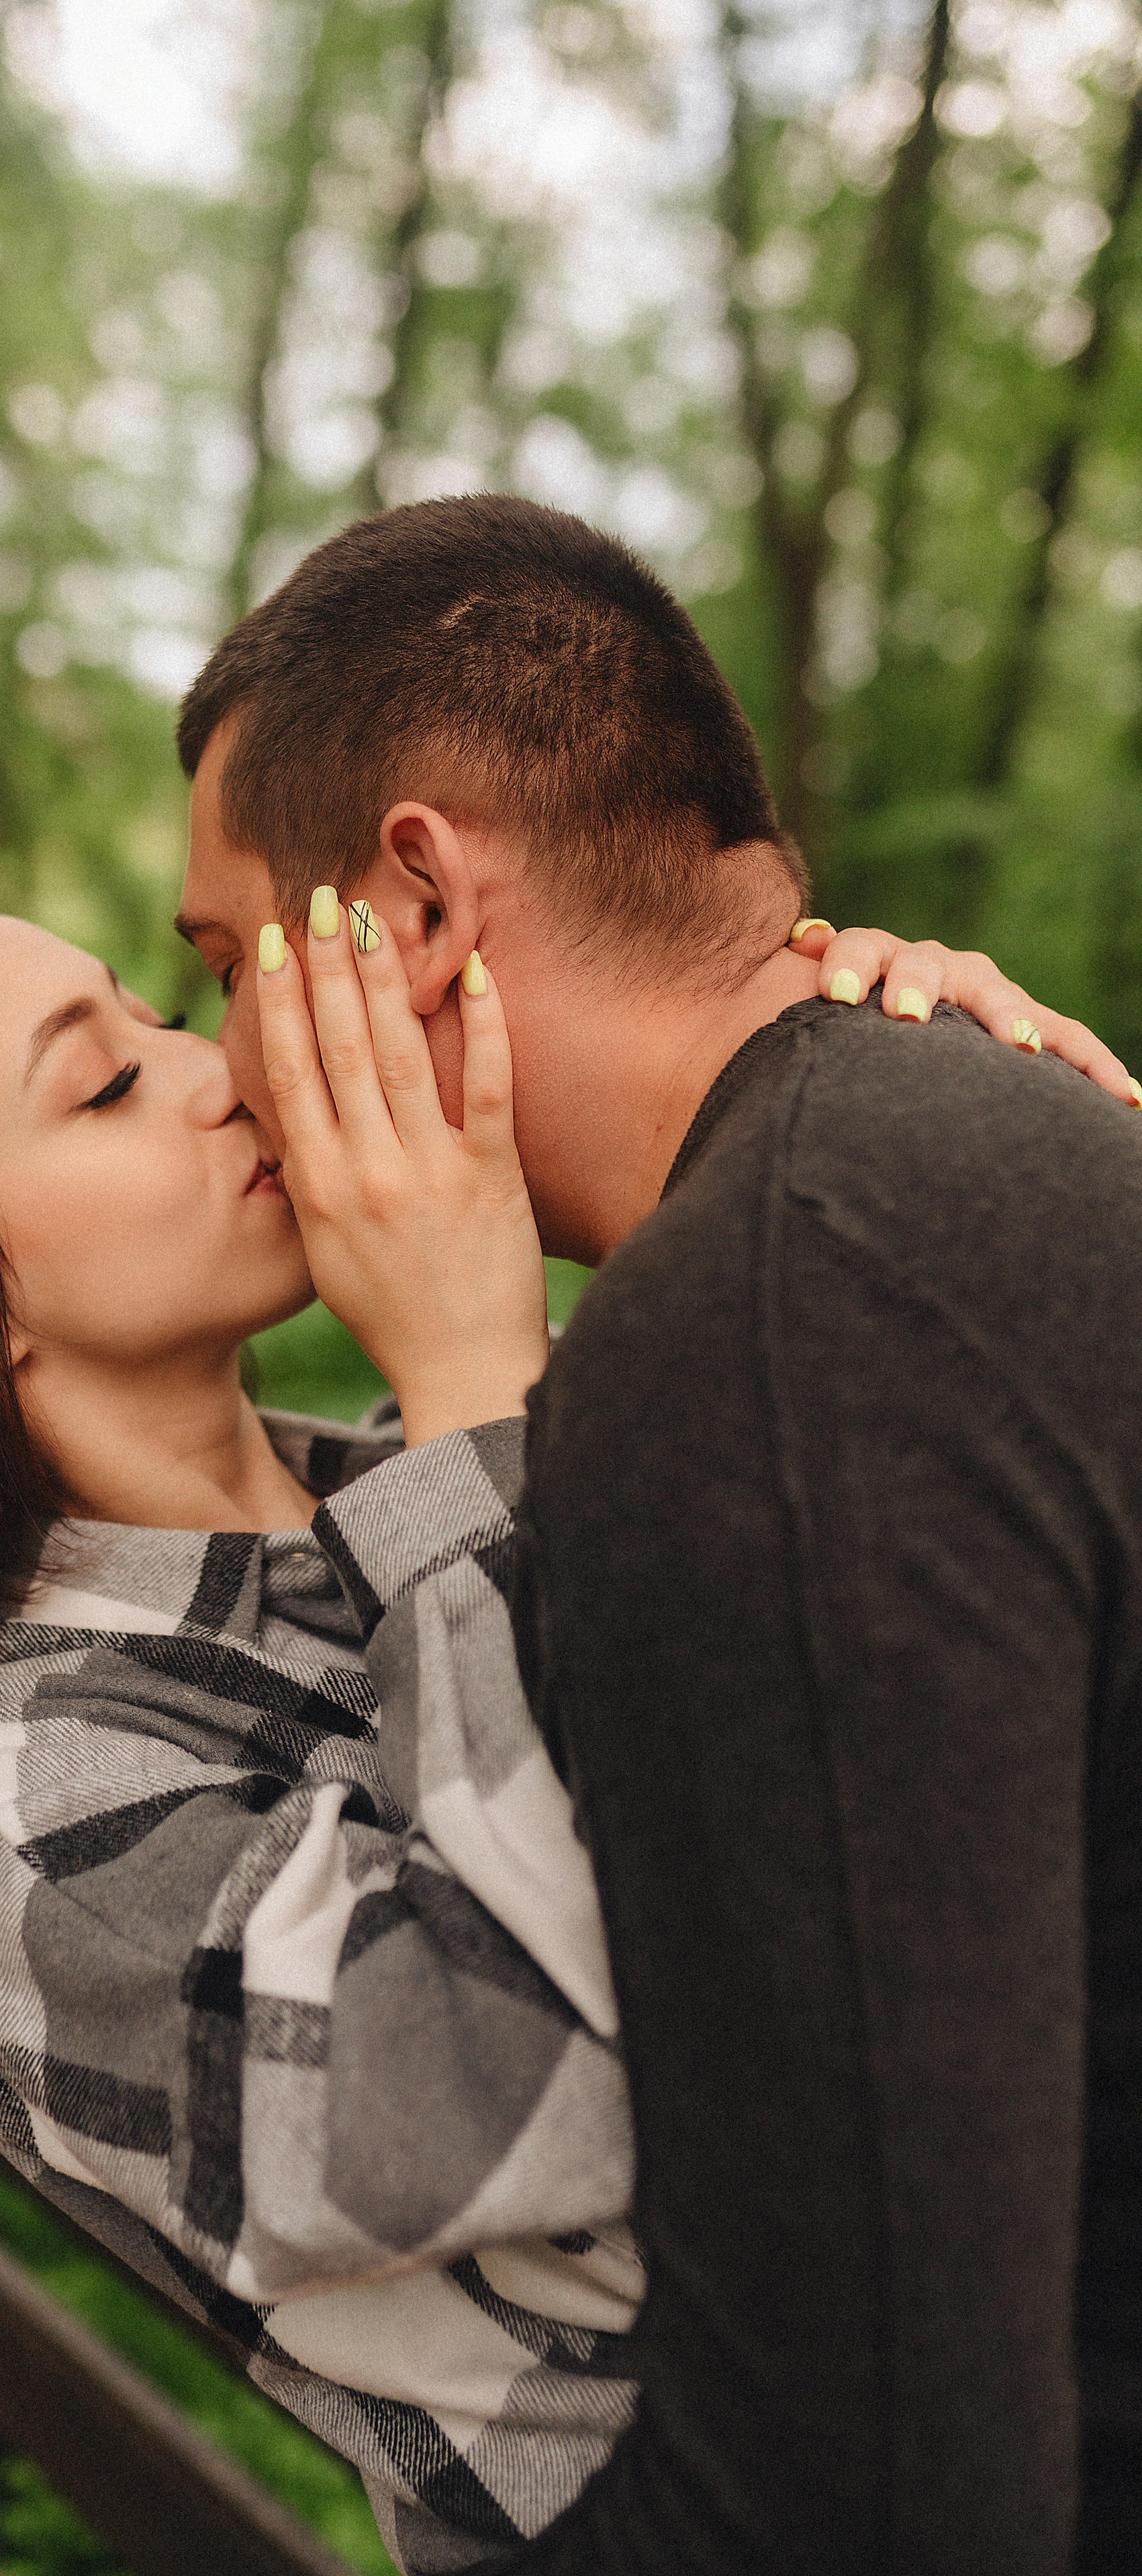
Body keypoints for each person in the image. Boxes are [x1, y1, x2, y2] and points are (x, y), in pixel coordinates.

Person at [169, 494, 1141, 2575]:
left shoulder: (775, 1329)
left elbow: (864, 2501)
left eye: (220, 958)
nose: (226, 1066)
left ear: (411, 907)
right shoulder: (949, 1142)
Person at [0, 878, 643, 2573]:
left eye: (159, 1020)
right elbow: (528, 2081)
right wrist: (478, 1384)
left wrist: (833, 1057)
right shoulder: (5, 1793)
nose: (217, 1069)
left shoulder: (436, 1470)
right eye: (102, 1084)